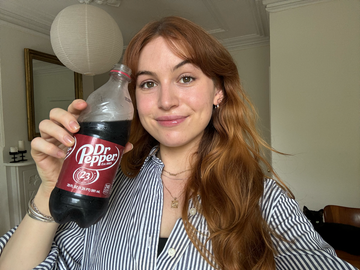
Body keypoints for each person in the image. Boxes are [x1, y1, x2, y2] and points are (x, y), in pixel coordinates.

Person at [0, 16, 357, 270]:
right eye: (148, 83)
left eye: (185, 77)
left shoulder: (262, 198)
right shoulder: (105, 186)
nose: (166, 100)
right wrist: (50, 191)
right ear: (134, 98)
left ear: (218, 92)